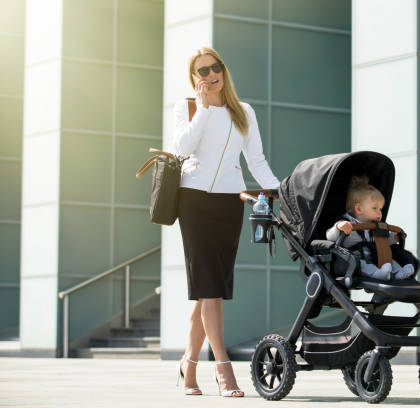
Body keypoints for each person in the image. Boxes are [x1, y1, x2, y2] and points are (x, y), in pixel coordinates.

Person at [173, 47, 280, 397]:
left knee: (209, 290)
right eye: (201, 71)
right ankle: (223, 369)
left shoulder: (243, 111)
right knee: (211, 291)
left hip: (229, 204)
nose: (210, 74)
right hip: (194, 202)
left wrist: (284, 192)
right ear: (194, 79)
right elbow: (181, 148)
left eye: (215, 67)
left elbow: (257, 160)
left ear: (224, 70)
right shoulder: (188, 107)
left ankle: (187, 369)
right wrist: (202, 110)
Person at [326, 176, 419, 281]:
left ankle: (398, 272)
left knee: (388, 257)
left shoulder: (374, 225)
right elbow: (330, 236)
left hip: (375, 254)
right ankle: (377, 274)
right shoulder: (345, 221)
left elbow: (382, 240)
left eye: (380, 209)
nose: (379, 213)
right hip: (355, 256)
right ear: (359, 208)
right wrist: (339, 227)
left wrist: (394, 238)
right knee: (362, 263)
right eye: (375, 208)